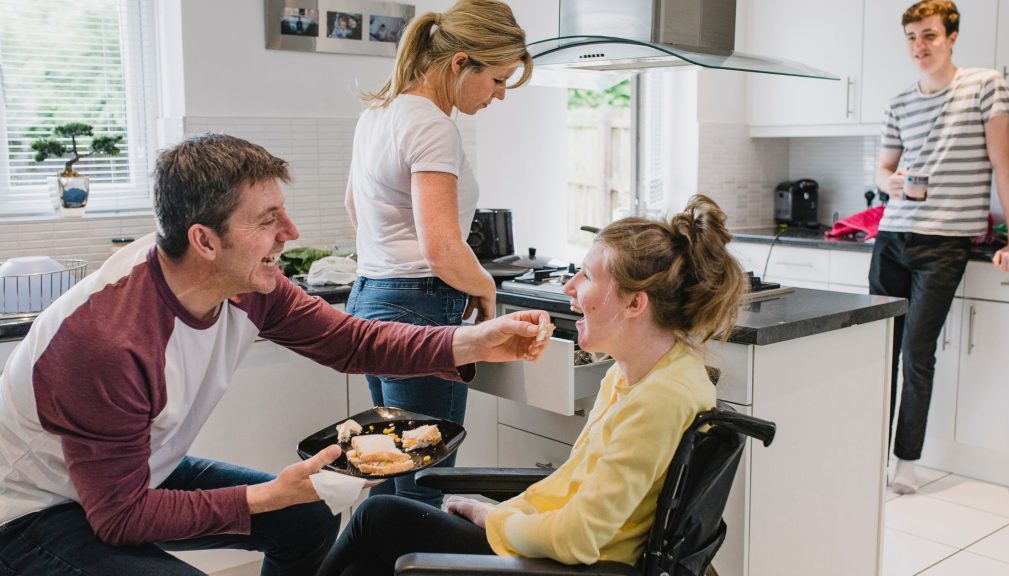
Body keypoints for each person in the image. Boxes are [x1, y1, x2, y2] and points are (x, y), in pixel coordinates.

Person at [0, 133, 552, 575]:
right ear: (205, 241)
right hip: (34, 510)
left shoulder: (244, 283)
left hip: (136, 471)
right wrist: (265, 495)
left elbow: (351, 340)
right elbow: (119, 517)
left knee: (306, 517)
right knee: (279, 504)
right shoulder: (108, 343)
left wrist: (473, 340)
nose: (290, 232)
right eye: (267, 221)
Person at [317, 195, 748, 576]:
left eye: (587, 277)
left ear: (637, 303)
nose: (568, 288)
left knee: (379, 519)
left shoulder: (660, 399)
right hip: (547, 546)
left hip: (572, 566)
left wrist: (494, 521)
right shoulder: (634, 373)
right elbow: (574, 482)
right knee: (373, 547)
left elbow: (579, 539)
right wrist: (499, 512)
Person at [344, 0, 532, 508]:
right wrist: (486, 288)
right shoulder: (432, 125)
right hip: (421, 310)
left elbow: (354, 210)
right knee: (422, 487)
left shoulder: (377, 114)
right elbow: (443, 246)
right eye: (496, 79)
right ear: (459, 63)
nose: (499, 95)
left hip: (369, 302)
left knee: (389, 469)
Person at [872, 0, 1009, 494]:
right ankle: (865, 452)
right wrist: (890, 183)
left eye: (930, 35)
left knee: (917, 351)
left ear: (952, 36)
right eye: (912, 37)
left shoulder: (984, 86)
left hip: (944, 244)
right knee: (878, 352)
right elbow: (882, 169)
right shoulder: (898, 102)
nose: (920, 46)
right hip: (892, 238)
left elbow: (1003, 165)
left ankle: (905, 462)